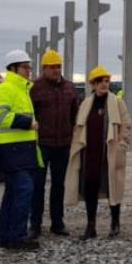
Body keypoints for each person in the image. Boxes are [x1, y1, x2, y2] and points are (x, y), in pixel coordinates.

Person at [64, 66, 131, 239]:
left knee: (112, 187)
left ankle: (115, 223)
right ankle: (91, 226)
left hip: (109, 152)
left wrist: (123, 142)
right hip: (90, 153)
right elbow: (79, 126)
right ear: (93, 84)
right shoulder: (86, 103)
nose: (104, 84)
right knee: (90, 187)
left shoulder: (117, 102)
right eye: (100, 81)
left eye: (106, 81)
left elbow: (126, 123)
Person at [0, 49, 43, 251]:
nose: (28, 71)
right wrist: (27, 122)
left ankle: (6, 237)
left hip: (20, 150)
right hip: (9, 150)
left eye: (29, 67)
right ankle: (18, 236)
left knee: (12, 193)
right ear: (13, 68)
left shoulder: (21, 90)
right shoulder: (4, 89)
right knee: (23, 190)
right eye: (25, 67)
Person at [30, 49, 79, 238]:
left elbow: (75, 113)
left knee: (59, 185)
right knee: (38, 185)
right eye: (52, 67)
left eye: (58, 66)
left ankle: (57, 222)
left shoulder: (70, 87)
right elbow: (30, 113)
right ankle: (35, 224)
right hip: (41, 144)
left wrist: (71, 131)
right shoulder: (34, 88)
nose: (56, 70)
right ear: (44, 68)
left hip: (63, 144)